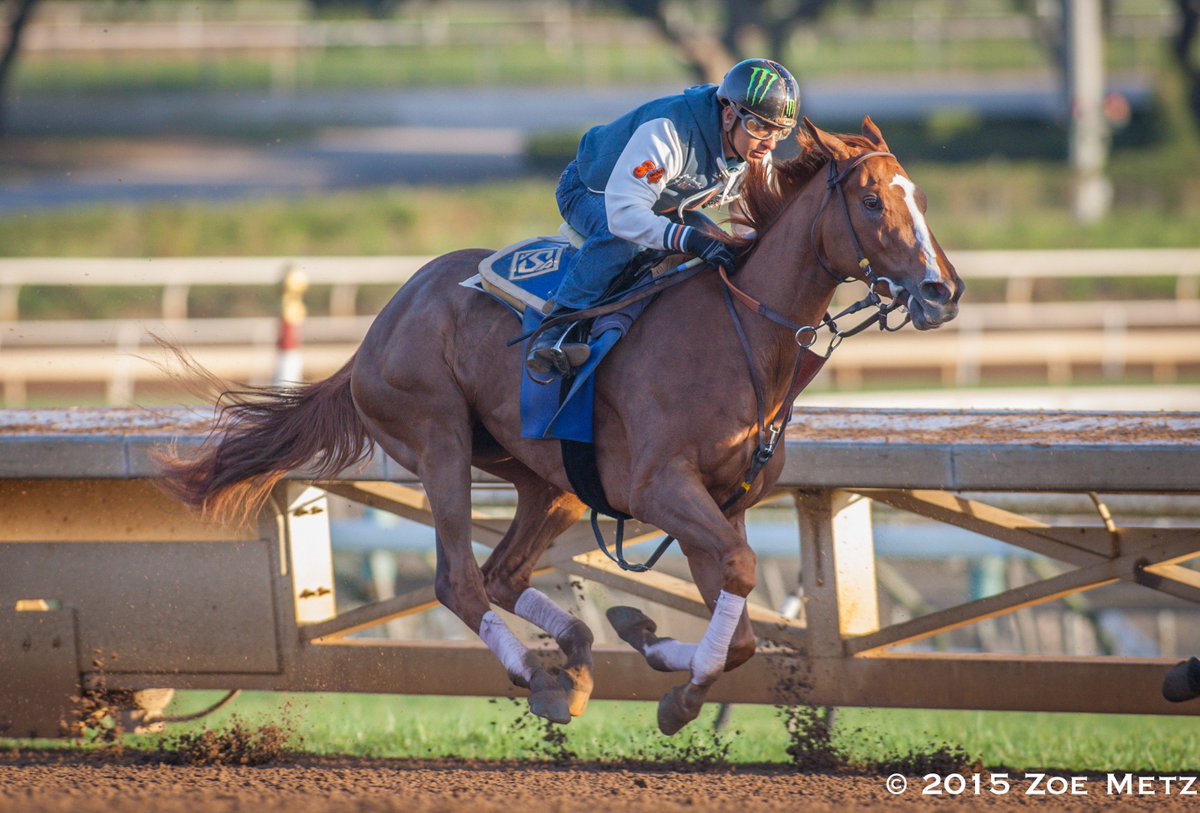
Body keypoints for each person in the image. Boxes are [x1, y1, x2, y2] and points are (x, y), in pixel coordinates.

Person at [525, 58, 801, 376]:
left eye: (780, 133)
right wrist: (690, 237)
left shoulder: (756, 156)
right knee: (627, 240)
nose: (769, 144)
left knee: (721, 249)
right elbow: (625, 215)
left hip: (663, 205)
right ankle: (557, 327)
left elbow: (754, 228)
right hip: (593, 192)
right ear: (729, 115)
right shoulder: (669, 131)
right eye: (759, 127)